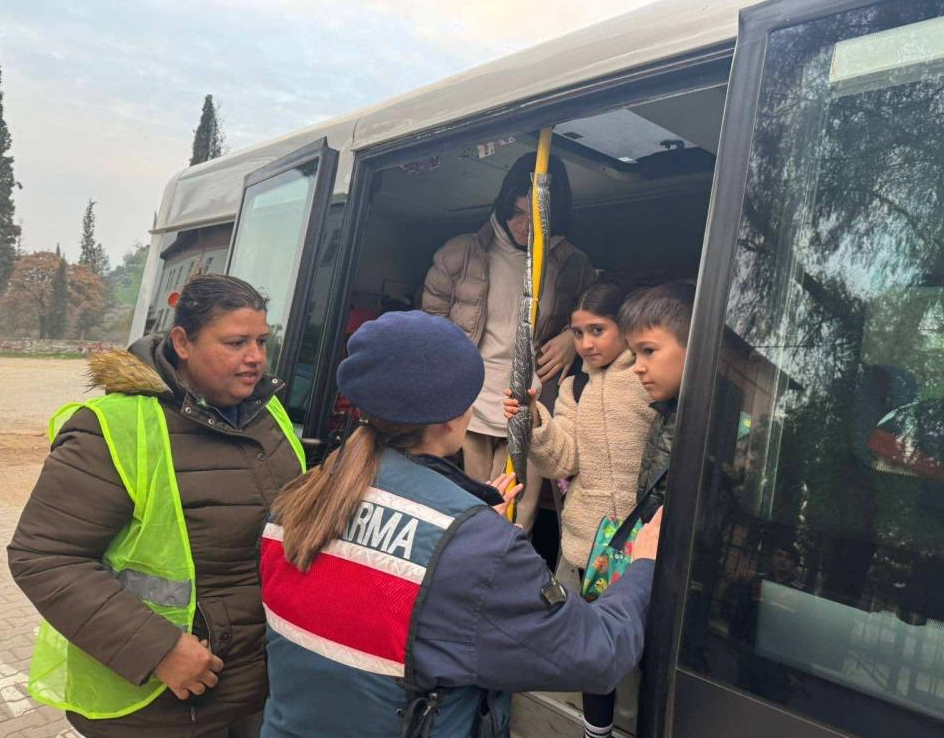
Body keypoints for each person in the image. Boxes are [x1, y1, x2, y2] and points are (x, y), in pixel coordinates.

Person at [259, 310, 662, 738]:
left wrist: (463, 526)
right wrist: (644, 565)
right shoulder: (476, 548)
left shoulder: (296, 501)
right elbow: (598, 654)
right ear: (453, 417)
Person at [8, 275, 306, 738]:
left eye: (262, 341)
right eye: (235, 342)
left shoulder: (266, 413)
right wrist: (158, 649)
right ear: (183, 342)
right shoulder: (116, 427)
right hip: (156, 703)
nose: (256, 358)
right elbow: (44, 557)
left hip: (256, 689)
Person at [502, 281, 655, 738]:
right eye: (578, 332)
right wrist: (535, 419)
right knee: (593, 652)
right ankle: (597, 729)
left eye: (597, 330)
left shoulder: (648, 377)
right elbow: (563, 459)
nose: (586, 343)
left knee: (637, 653)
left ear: (623, 329)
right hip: (585, 546)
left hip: (640, 546)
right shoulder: (574, 386)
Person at [422, 152, 597, 531]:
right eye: (515, 213)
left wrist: (572, 337)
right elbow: (429, 325)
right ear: (503, 205)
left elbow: (602, 317)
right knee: (468, 507)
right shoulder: (461, 252)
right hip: (469, 400)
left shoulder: (572, 264)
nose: (522, 226)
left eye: (532, 216)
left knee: (518, 517)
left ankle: (504, 583)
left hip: (529, 403)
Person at [620, 281, 696, 512]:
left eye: (649, 351)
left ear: (694, 344)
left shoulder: (713, 424)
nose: (637, 367)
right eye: (635, 355)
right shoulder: (666, 411)